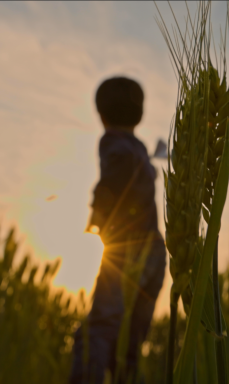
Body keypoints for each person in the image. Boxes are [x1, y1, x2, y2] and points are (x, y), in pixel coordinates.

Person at [69, 77, 166, 384]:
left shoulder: (112, 142)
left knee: (98, 331)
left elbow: (113, 175)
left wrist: (98, 211)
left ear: (102, 115)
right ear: (140, 115)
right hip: (156, 253)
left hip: (126, 251)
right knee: (132, 342)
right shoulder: (139, 149)